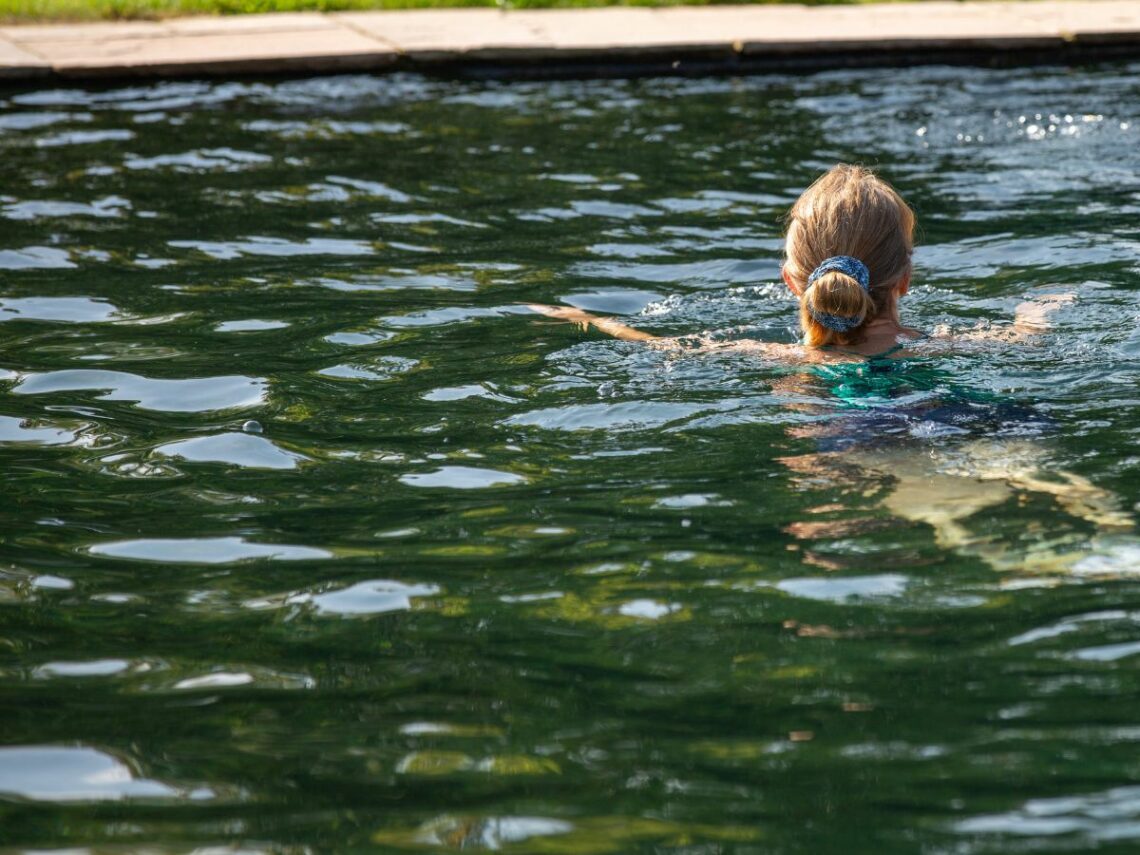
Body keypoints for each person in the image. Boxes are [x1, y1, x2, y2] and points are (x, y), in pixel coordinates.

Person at [529, 164, 1132, 573]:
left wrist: (587, 319)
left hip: (865, 429)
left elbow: (663, 347)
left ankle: (996, 551)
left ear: (792, 282)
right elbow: (1024, 340)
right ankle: (1106, 524)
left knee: (942, 505)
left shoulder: (784, 358)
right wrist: (1036, 309)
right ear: (907, 279)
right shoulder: (943, 343)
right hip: (981, 411)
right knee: (1044, 474)